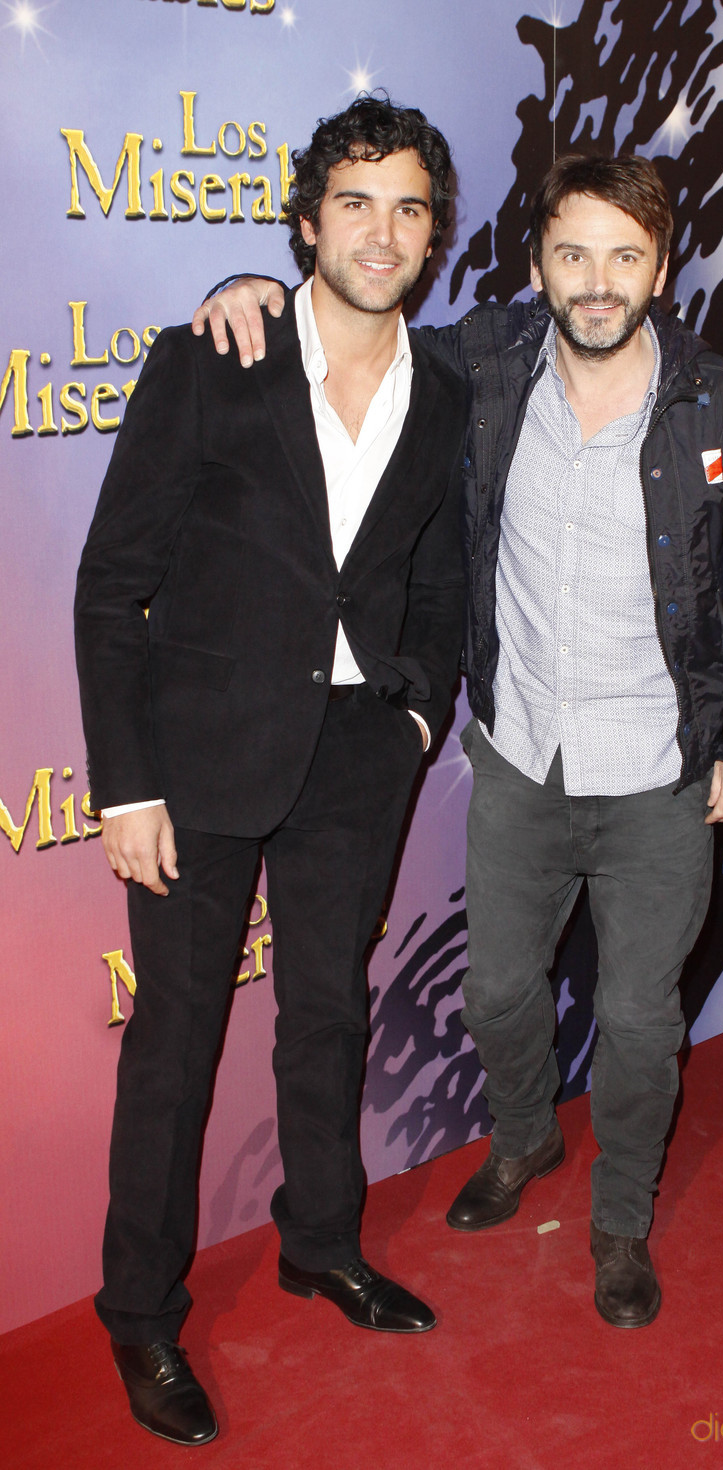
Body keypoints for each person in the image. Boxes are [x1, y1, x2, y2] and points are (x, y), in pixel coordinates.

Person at [194, 152, 723, 1332]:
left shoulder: (716, 402)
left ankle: (620, 1221)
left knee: (637, 1020)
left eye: (623, 257)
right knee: (494, 993)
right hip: (522, 758)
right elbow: (353, 328)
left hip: (660, 778)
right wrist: (252, 287)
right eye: (572, 254)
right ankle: (525, 1136)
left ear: (659, 270)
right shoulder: (481, 364)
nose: (596, 282)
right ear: (539, 264)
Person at [75, 96, 467, 1446]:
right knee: (176, 1048)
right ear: (305, 222)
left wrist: (415, 721)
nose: (383, 229)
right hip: (195, 765)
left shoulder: (452, 387)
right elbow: (112, 581)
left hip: (357, 759)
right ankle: (138, 1312)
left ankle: (321, 1242)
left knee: (327, 1017)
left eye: (409, 205)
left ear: (435, 233)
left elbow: (439, 588)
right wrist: (124, 788)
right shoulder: (214, 356)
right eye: (355, 202)